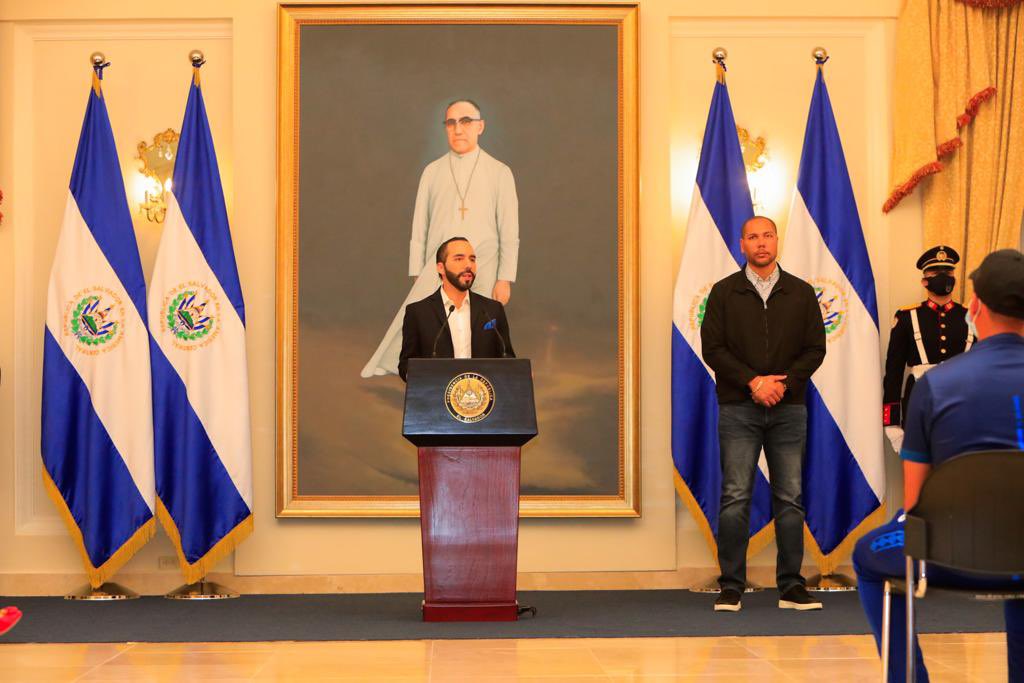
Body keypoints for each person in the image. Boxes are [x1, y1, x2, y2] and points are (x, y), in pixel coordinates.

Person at [854, 248, 1024, 683]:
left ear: (977, 307)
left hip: (948, 553)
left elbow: (916, 507)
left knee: (867, 554)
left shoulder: (936, 385)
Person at [700, 216, 826, 613]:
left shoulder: (802, 293)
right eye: (753, 237)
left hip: (789, 410)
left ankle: (791, 586)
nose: (761, 243)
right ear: (742, 245)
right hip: (738, 408)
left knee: (790, 497)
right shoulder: (723, 292)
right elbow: (713, 349)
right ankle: (732, 586)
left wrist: (782, 385)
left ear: (776, 241)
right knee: (735, 496)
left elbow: (814, 349)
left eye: (767, 236)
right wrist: (754, 383)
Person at [364, 99, 520, 378]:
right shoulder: (432, 172)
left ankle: (475, 388)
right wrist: (417, 270)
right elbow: (419, 226)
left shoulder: (499, 172)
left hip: (483, 266)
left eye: (466, 121)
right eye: (451, 123)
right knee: (433, 329)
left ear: (480, 127)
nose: (458, 129)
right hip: (438, 268)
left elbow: (509, 230)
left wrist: (504, 277)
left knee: (479, 338)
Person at [882, 246, 974, 452]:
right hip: (919, 403)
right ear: (924, 280)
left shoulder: (970, 317)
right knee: (922, 476)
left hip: (963, 406)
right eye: (936, 273)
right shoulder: (907, 317)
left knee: (962, 475)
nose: (944, 277)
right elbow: (894, 373)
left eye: (948, 273)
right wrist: (892, 423)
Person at [398, 236, 514, 382]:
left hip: (484, 400)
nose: (468, 265)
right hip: (437, 401)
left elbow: (507, 357)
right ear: (441, 268)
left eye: (472, 259)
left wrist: (518, 373)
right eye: (459, 259)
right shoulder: (418, 313)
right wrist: (416, 376)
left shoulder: (492, 310)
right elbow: (406, 365)